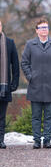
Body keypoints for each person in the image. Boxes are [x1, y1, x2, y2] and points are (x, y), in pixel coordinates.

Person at [21, 18, 51, 149]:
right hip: (35, 85)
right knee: (36, 116)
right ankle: (36, 140)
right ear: (37, 30)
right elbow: (24, 62)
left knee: (49, 116)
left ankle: (47, 140)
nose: (44, 30)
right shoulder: (30, 45)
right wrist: (30, 76)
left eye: (46, 27)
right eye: (41, 28)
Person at [0, 21, 19, 149]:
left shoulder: (9, 42)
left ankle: (0, 140)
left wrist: (14, 83)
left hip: (4, 86)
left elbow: (15, 65)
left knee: (1, 116)